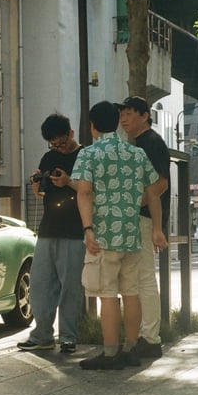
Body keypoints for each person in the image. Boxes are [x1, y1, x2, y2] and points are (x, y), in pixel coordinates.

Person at [72, 101, 168, 370]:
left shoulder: (89, 154)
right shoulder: (136, 154)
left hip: (104, 235)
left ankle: (111, 353)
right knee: (131, 292)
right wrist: (158, 228)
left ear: (92, 126)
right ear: (116, 122)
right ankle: (130, 349)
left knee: (107, 294)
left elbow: (84, 192)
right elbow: (153, 194)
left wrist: (88, 229)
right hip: (132, 234)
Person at [17, 113, 85, 354]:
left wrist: (67, 182)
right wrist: (37, 185)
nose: (58, 147)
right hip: (48, 228)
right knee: (40, 283)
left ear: (71, 134)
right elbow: (41, 193)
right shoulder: (49, 157)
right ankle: (42, 334)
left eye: (61, 142)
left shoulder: (84, 155)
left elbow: (91, 190)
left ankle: (68, 336)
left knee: (71, 287)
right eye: (53, 144)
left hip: (76, 229)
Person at [118, 96, 169, 359]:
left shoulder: (151, 143)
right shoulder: (139, 143)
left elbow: (161, 184)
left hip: (145, 219)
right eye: (122, 115)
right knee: (138, 279)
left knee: (145, 278)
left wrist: (133, 205)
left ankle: (150, 338)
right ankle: (145, 335)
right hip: (142, 218)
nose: (124, 119)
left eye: (129, 113)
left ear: (145, 116)